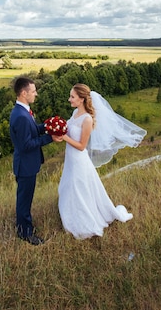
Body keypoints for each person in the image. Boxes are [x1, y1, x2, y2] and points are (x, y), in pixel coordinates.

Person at [58, 83, 146, 240]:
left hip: (79, 160)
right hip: (70, 159)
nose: (69, 99)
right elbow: (68, 128)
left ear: (82, 99)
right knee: (69, 187)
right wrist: (58, 130)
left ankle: (83, 221)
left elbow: (81, 146)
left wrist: (64, 137)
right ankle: (70, 214)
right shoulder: (75, 113)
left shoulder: (87, 120)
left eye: (72, 96)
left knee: (79, 189)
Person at [9, 76, 61, 245]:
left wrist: (47, 126)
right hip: (25, 165)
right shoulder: (22, 116)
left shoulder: (23, 111)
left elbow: (31, 132)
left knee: (25, 198)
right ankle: (26, 233)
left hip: (26, 164)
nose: (35, 94)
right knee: (24, 201)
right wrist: (50, 138)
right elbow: (26, 144)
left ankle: (23, 228)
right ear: (23, 93)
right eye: (33, 91)